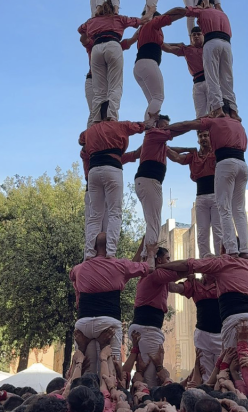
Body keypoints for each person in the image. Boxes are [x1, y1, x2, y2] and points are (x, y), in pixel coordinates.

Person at [167, 115, 248, 255]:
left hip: (217, 194)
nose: (204, 138)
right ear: (198, 139)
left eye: (206, 135)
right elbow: (176, 157)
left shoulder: (217, 153)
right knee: (202, 232)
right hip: (200, 197)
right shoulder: (194, 156)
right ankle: (205, 259)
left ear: (211, 137)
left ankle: (220, 256)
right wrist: (168, 146)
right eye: (201, 136)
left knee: (218, 230)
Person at [71, 232, 151, 365]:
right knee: (112, 368)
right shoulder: (120, 266)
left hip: (83, 322)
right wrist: (150, 252)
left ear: (94, 248)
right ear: (111, 247)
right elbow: (147, 267)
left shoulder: (80, 268)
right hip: (108, 321)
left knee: (85, 368)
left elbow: (72, 275)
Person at [121, 114, 187, 261]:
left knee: (152, 220)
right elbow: (177, 133)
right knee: (154, 221)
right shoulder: (152, 135)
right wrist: (197, 124)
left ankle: (145, 254)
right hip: (149, 180)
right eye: (163, 126)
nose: (165, 129)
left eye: (166, 127)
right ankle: (148, 257)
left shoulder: (159, 144)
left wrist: (191, 149)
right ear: (156, 126)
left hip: (147, 181)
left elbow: (172, 151)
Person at [80, 119, 146, 258]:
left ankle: (89, 253)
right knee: (114, 212)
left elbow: (81, 140)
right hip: (112, 168)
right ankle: (110, 252)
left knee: (95, 215)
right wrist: (148, 123)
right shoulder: (120, 125)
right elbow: (139, 127)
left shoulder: (90, 131)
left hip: (94, 170)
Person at [127, 247, 183, 386]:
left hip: (145, 327)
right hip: (148, 329)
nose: (170, 262)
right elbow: (180, 270)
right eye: (167, 259)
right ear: (159, 260)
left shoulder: (152, 278)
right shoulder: (157, 274)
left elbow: (175, 287)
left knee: (143, 370)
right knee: (150, 379)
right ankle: (147, 403)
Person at [78, 4, 142, 122]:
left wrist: (93, 27)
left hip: (97, 48)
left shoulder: (92, 21)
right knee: (115, 86)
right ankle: (111, 116)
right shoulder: (119, 18)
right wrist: (149, 14)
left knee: (99, 91)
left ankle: (96, 119)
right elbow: (139, 21)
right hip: (113, 44)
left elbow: (80, 30)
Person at [131, 8, 186, 123]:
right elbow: (170, 17)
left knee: (152, 100)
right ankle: (149, 126)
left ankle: (147, 127)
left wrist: (183, 48)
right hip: (148, 63)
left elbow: (167, 47)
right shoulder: (152, 24)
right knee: (158, 97)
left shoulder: (146, 31)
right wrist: (187, 12)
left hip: (139, 67)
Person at [181, 5, 237, 117]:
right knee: (227, 78)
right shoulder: (222, 14)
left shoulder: (202, 12)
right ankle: (233, 110)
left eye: (198, 34)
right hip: (226, 43)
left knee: (212, 78)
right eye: (194, 35)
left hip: (212, 42)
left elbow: (186, 13)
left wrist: (165, 18)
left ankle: (218, 108)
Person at [164, 27, 209, 117]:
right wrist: (177, 44)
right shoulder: (187, 49)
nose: (196, 36)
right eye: (194, 35)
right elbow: (166, 47)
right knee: (200, 114)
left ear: (203, 35)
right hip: (197, 83)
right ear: (191, 37)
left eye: (198, 34)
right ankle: (202, 131)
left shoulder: (209, 46)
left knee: (215, 109)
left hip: (211, 80)